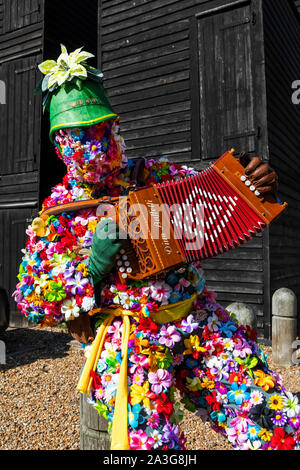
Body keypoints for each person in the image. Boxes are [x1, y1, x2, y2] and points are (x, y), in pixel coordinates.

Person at [14, 45, 299, 451]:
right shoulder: (57, 214)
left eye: (101, 130)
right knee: (150, 447)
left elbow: (215, 193)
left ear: (116, 128)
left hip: (200, 321)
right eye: (77, 137)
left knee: (274, 422)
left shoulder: (157, 175)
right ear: (60, 146)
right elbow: (33, 300)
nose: (94, 144)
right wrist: (92, 267)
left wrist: (253, 182)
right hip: (128, 341)